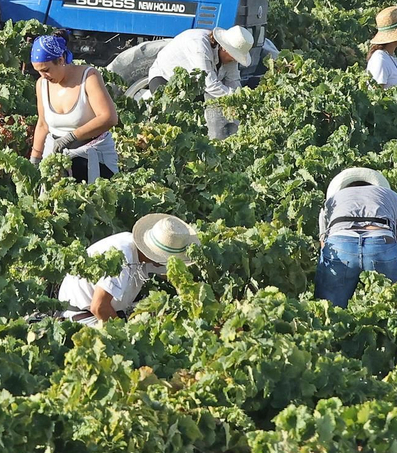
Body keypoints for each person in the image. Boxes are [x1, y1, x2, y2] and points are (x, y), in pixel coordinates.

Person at [54, 214, 198, 325]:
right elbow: (99, 307)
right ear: (155, 254)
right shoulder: (122, 257)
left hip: (108, 309)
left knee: (159, 313)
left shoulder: (143, 252)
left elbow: (174, 278)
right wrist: (124, 337)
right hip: (83, 317)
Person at [315, 167, 397, 308]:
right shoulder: (393, 197)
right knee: (390, 310)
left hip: (341, 243)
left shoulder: (332, 200)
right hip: (380, 243)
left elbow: (324, 246)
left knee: (330, 312)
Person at [28, 31, 120, 182]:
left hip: (93, 158)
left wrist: (70, 137)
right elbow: (43, 124)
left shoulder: (89, 77)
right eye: (38, 71)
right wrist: (35, 159)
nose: (42, 76)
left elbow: (109, 118)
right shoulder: (42, 84)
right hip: (57, 161)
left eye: (46, 70)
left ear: (61, 59)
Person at [139, 25, 255, 140]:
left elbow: (233, 81)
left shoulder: (229, 57)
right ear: (225, 48)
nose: (234, 60)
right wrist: (233, 97)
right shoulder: (200, 46)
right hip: (165, 80)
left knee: (205, 120)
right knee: (177, 126)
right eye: (234, 56)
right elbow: (210, 84)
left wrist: (241, 102)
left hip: (193, 86)